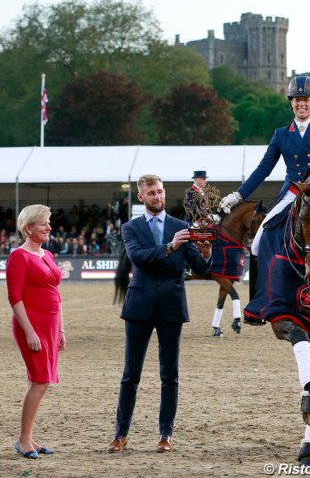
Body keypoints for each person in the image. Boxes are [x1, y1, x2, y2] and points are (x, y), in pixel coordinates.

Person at [219, 75, 310, 296]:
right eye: (296, 100)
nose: (301, 104)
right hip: (293, 191)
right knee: (257, 242)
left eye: (305, 99)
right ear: (291, 103)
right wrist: (238, 196)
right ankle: (257, 302)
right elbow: (263, 169)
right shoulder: (281, 135)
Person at [107, 174, 212, 454]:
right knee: (131, 375)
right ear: (141, 197)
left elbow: (200, 269)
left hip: (171, 307)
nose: (157, 197)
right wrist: (169, 246)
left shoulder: (181, 226)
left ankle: (166, 435)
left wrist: (206, 253)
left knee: (170, 376)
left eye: (160, 192)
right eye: (151, 193)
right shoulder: (131, 228)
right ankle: (121, 434)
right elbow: (138, 258)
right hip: (139, 307)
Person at [6, 204, 66, 459]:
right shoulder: (18, 257)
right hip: (31, 325)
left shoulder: (47, 255)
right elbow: (14, 297)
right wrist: (29, 332)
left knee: (39, 381)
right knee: (40, 381)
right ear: (29, 227)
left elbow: (56, 293)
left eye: (49, 223)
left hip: (51, 325)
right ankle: (23, 440)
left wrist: (61, 329)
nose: (49, 227)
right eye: (44, 223)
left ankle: (29, 437)